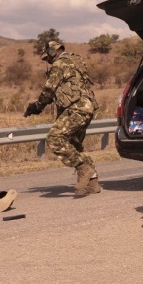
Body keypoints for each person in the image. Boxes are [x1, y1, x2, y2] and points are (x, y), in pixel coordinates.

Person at [24, 40, 101, 195]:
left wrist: (37, 106)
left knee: (54, 138)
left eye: (47, 57)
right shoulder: (76, 61)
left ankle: (84, 168)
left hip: (76, 109)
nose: (48, 61)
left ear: (52, 51)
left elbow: (49, 90)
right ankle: (92, 183)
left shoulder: (59, 65)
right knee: (73, 144)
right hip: (87, 108)